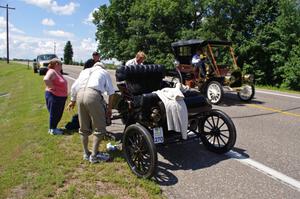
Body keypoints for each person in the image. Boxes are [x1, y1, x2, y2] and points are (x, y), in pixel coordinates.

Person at [67, 61, 115, 163]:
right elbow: (111, 92)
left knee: (83, 127)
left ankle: (86, 153)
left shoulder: (85, 71)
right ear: (103, 67)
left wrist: (72, 101)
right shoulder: (104, 72)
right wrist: (110, 109)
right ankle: (94, 156)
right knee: (100, 128)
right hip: (93, 95)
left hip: (80, 95)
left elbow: (74, 87)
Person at [43, 58, 68, 135]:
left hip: (59, 97)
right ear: (57, 64)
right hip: (54, 96)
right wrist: (53, 88)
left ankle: (53, 128)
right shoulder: (52, 71)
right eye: (61, 64)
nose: (61, 66)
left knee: (57, 114)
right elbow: (46, 79)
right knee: (54, 113)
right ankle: (52, 130)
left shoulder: (57, 72)